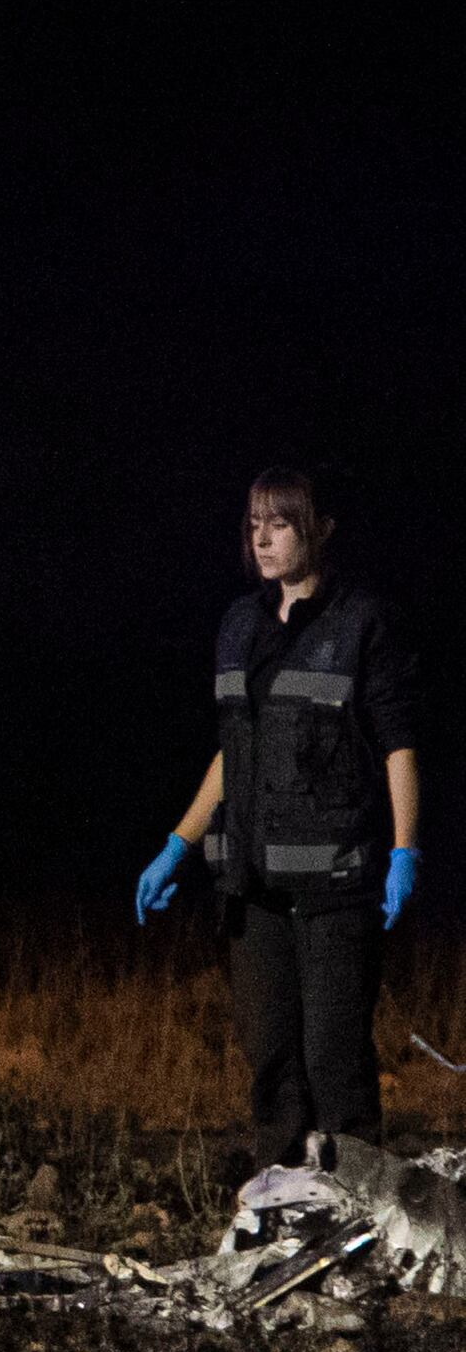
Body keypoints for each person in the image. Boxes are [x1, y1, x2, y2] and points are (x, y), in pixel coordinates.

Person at [134, 468, 423, 1168]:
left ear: (318, 529)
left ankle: (358, 1223)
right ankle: (283, 1212)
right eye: (253, 522)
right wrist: (178, 841)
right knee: (271, 1066)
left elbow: (396, 744)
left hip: (335, 886)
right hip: (251, 887)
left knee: (335, 1063)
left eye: (281, 522)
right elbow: (235, 752)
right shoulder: (239, 624)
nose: (261, 537)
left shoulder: (359, 622)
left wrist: (404, 849)